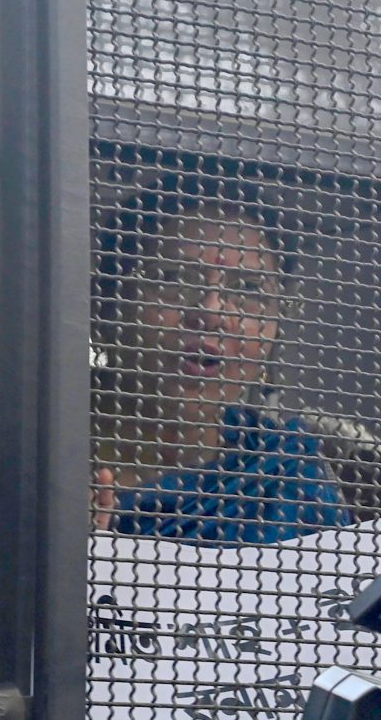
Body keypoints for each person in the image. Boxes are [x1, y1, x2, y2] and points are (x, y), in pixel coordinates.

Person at [92, 182, 349, 545]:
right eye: (174, 278)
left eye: (248, 289)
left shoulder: (285, 479)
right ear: (103, 309)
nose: (211, 312)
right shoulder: (35, 450)